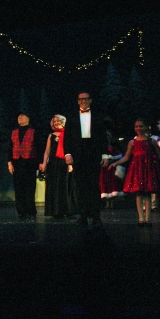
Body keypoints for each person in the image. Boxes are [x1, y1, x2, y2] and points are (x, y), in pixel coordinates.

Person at [109, 119, 160, 226]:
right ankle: (141, 218)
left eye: (141, 126)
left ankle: (147, 219)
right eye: (136, 126)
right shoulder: (132, 142)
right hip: (137, 168)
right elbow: (126, 157)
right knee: (139, 194)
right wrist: (115, 163)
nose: (138, 128)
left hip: (148, 168)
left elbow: (159, 156)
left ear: (146, 127)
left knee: (147, 193)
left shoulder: (151, 141)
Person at [63, 91, 109, 228]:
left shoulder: (98, 116)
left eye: (86, 99)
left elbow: (102, 137)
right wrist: (67, 154)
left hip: (93, 153)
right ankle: (82, 216)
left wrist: (105, 155)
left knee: (94, 186)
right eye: (81, 99)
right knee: (80, 186)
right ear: (78, 101)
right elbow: (67, 138)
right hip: (78, 154)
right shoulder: (71, 117)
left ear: (91, 101)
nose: (83, 101)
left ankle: (96, 216)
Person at [39, 115, 74, 218]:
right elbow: (47, 151)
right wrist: (44, 163)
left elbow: (72, 150)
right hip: (53, 163)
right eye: (54, 121)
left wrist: (71, 164)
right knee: (53, 186)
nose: (56, 122)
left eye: (58, 120)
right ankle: (54, 211)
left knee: (64, 186)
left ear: (63, 121)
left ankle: (66, 210)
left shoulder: (68, 134)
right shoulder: (51, 135)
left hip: (65, 162)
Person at [7, 112, 38, 219]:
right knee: (18, 188)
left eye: (22, 116)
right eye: (18, 116)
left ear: (28, 118)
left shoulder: (33, 131)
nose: (19, 117)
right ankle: (21, 211)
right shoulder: (14, 132)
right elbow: (10, 148)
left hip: (30, 162)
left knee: (29, 187)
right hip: (17, 162)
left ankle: (31, 210)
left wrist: (38, 163)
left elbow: (38, 147)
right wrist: (9, 162)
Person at [100, 130, 125, 209]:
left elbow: (119, 156)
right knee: (104, 183)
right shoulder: (101, 148)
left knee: (112, 183)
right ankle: (107, 202)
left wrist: (111, 158)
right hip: (103, 169)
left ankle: (112, 202)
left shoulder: (113, 149)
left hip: (111, 169)